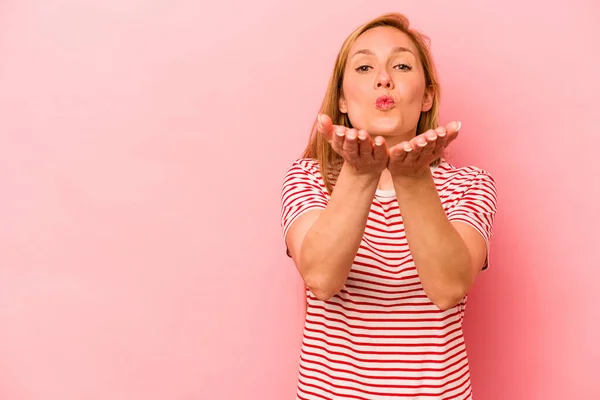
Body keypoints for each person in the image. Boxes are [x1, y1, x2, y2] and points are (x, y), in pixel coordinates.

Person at [280, 12, 498, 400]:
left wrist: (412, 180)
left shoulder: (471, 185)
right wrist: (361, 175)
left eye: (400, 64)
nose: (384, 78)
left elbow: (448, 287)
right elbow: (322, 277)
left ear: (427, 95)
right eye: (365, 67)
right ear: (343, 99)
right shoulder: (307, 178)